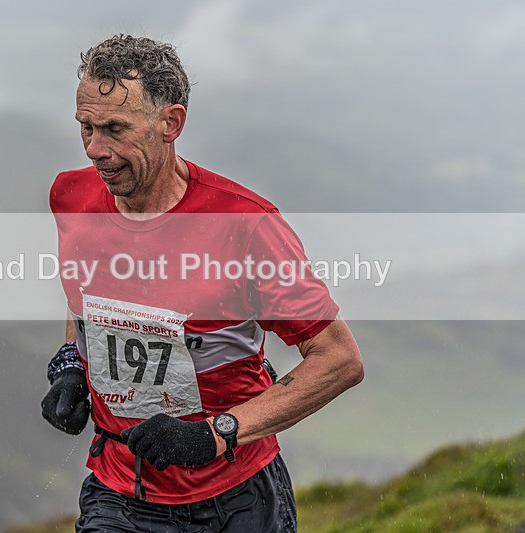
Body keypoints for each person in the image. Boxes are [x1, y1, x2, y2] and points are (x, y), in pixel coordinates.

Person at [41, 34, 363, 532]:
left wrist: (214, 435)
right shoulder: (71, 196)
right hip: (120, 492)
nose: (95, 150)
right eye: (85, 127)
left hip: (236, 498)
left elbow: (339, 360)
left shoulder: (246, 226)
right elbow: (86, 296)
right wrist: (71, 365)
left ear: (170, 123)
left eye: (115, 129)